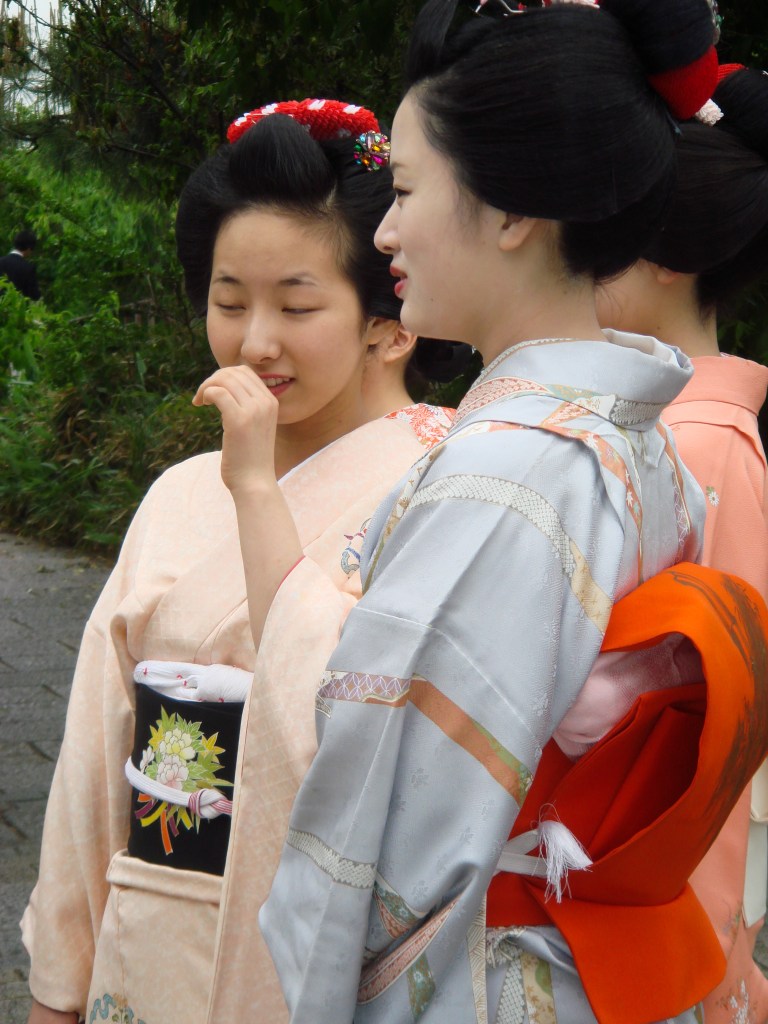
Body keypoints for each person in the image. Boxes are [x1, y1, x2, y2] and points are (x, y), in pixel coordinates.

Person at [257, 3, 768, 1022]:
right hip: (579, 962)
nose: (385, 231)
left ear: (510, 212)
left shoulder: (512, 473)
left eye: (402, 190)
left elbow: (385, 831)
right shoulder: (633, 440)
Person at [21, 98, 455, 1024]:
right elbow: (97, 752)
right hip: (157, 929)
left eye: (297, 305)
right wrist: (61, 978)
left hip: (325, 948)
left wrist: (257, 490)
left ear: (394, 322)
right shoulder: (182, 491)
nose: (255, 341)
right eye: (228, 302)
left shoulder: (446, 488)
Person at [596, 62, 768, 1024]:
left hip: (660, 926)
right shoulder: (666, 430)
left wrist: (705, 962)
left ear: (664, 258)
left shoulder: (706, 448)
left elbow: (723, 747)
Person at [0, 229, 41, 301]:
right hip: (18, 309)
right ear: (29, 249)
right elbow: (34, 295)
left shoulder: (1, 261)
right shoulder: (28, 268)